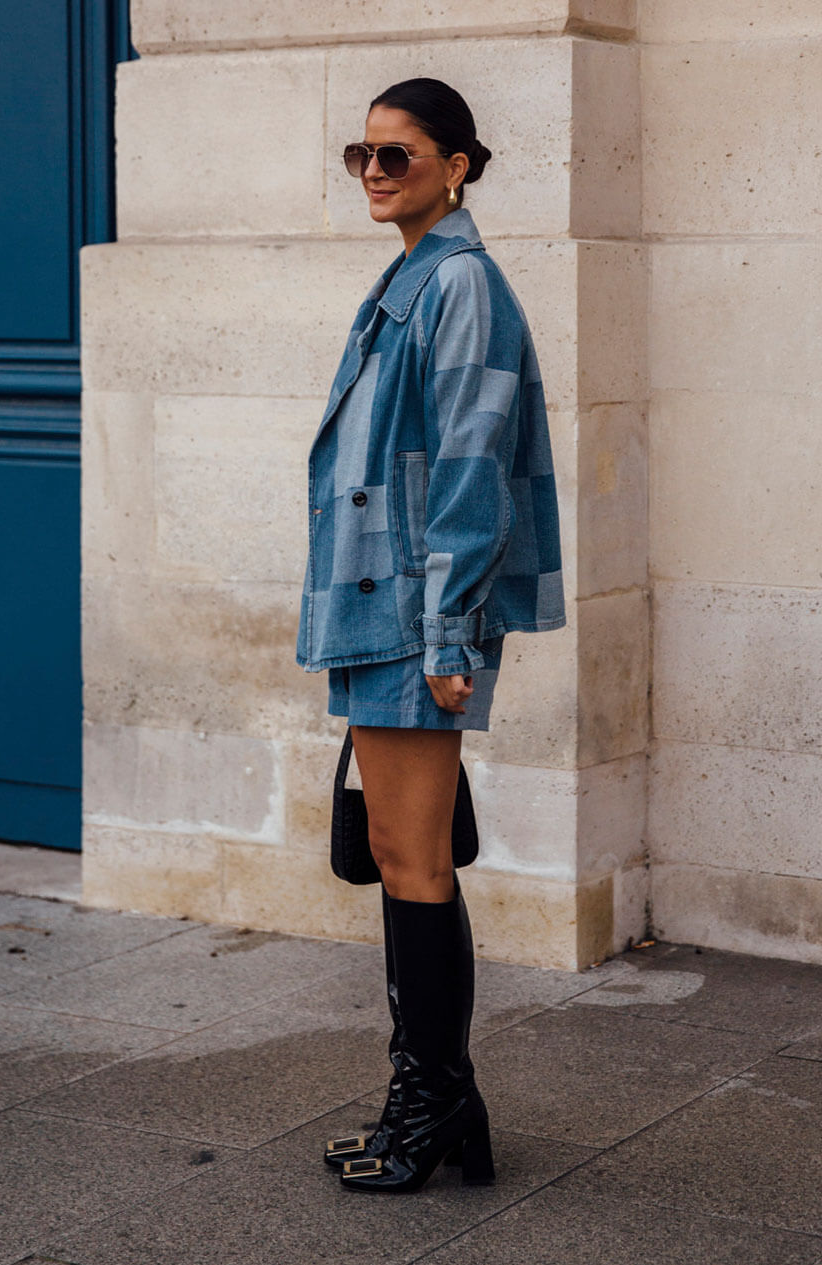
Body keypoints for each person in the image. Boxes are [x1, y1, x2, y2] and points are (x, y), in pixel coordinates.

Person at [296, 78, 566, 1193]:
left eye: (397, 155)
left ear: (458, 165)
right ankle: (436, 1102)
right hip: (383, 603)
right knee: (406, 855)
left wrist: (449, 632)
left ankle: (433, 1106)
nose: (373, 171)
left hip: (417, 611)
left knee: (413, 864)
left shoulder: (460, 284)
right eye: (360, 153)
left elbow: (467, 466)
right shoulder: (411, 276)